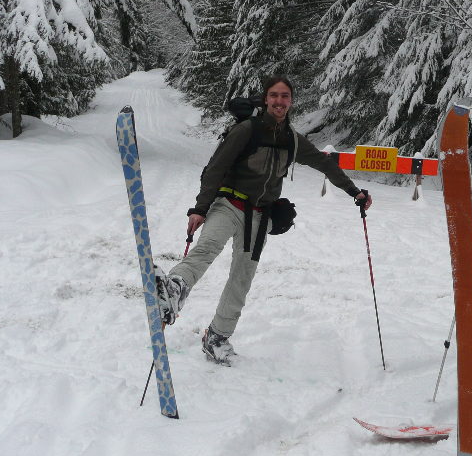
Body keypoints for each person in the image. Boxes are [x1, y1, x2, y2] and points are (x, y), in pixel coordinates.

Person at [156, 75, 372, 366]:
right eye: (274, 95)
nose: (279, 101)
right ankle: (175, 288)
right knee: (207, 247)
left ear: (291, 101)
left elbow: (324, 163)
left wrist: (354, 192)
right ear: (266, 99)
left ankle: (218, 336)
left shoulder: (292, 140)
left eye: (285, 96)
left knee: (241, 279)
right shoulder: (247, 130)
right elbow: (215, 169)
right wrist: (200, 208)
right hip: (229, 204)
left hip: (259, 216)